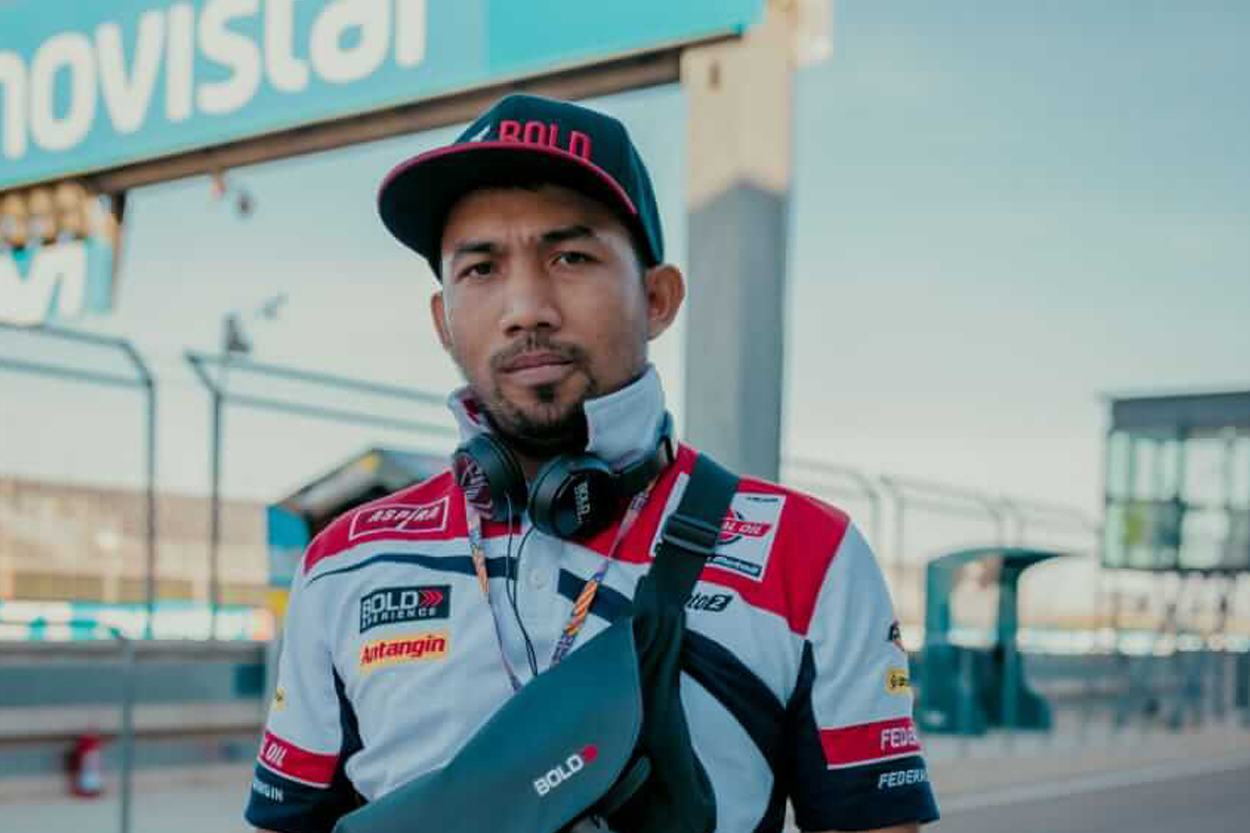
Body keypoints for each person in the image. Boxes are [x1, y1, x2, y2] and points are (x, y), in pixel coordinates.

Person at [245, 93, 939, 833]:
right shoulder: (345, 562)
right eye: (481, 268)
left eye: (570, 257)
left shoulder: (809, 551)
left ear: (659, 297)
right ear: (443, 320)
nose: (526, 307)